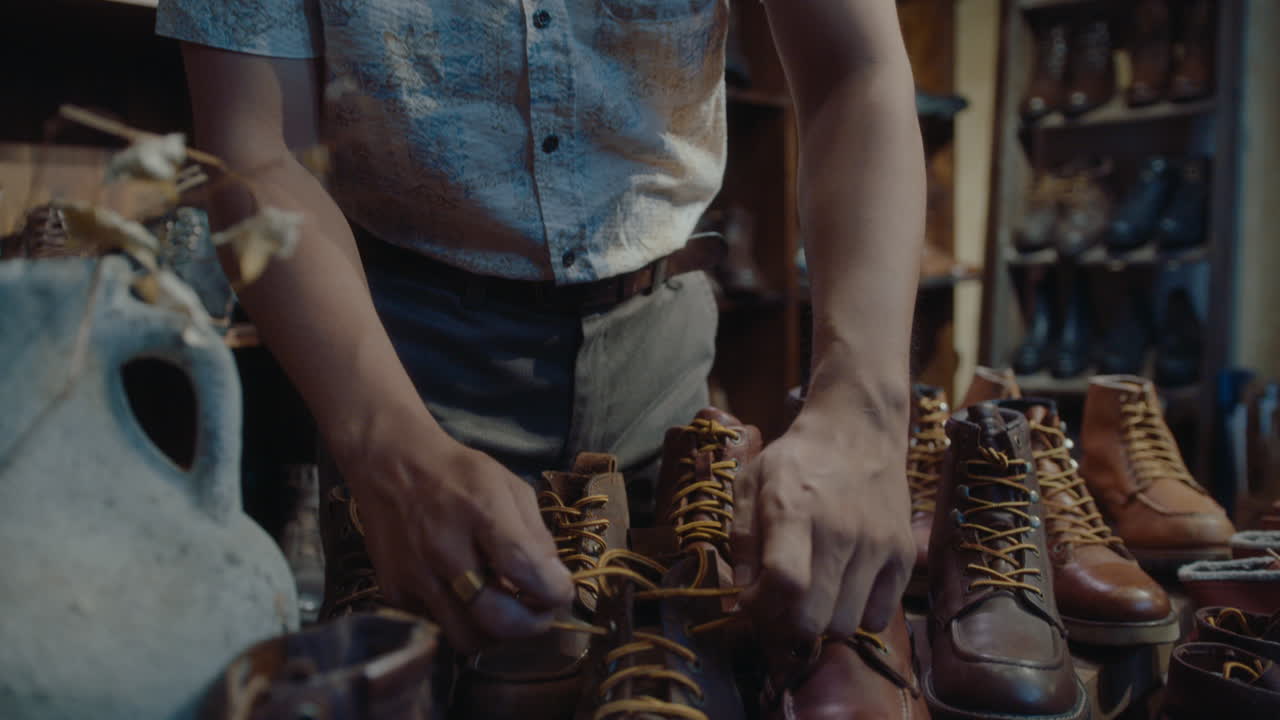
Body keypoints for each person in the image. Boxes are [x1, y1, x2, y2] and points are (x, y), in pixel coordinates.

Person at [157, 0, 925, 653]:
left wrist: (867, 408)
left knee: (675, 660)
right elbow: (256, 149)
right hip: (401, 356)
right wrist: (385, 446)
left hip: (666, 345)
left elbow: (854, 72)